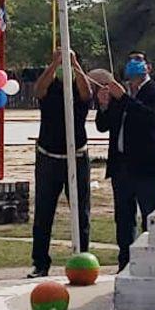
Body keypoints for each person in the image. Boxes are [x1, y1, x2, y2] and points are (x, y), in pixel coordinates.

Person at [95, 50, 155, 272]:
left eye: (139, 61)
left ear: (149, 67)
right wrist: (104, 105)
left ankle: (151, 261)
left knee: (150, 215)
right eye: (130, 61)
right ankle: (125, 261)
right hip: (121, 167)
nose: (133, 65)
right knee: (124, 219)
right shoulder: (120, 92)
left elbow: (153, 118)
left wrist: (124, 99)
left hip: (146, 167)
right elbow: (103, 125)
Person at [28, 48, 92, 278]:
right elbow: (38, 89)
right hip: (48, 157)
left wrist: (75, 64)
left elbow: (87, 94)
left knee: (81, 213)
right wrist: (54, 63)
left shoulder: (78, 88)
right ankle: (40, 263)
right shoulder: (51, 87)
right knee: (44, 214)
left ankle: (82, 259)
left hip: (77, 158)